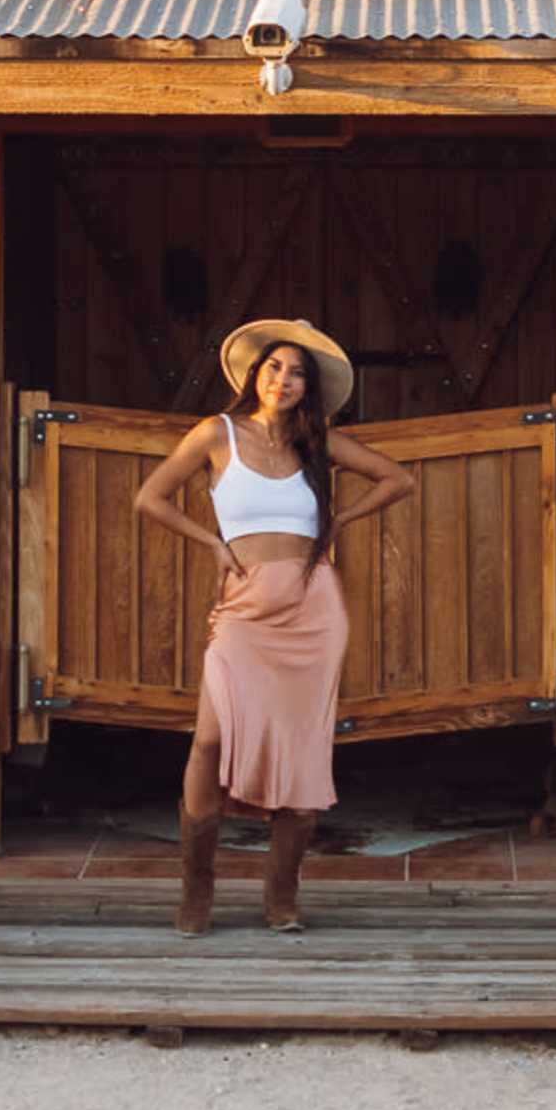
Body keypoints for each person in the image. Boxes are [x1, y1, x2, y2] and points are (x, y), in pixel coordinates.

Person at [129, 317, 414, 934]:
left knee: (305, 750)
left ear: (307, 388)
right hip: (246, 607)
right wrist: (211, 542)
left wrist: (341, 523)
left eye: (296, 373)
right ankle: (196, 890)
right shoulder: (217, 433)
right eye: (274, 368)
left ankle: (281, 895)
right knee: (209, 739)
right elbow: (149, 498)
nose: (282, 380)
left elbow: (399, 478)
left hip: (314, 610)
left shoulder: (317, 441)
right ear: (255, 374)